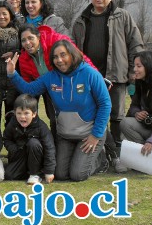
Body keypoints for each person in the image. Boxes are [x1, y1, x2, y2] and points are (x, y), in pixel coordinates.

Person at [6, 40, 111, 181]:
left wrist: (96, 134)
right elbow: (29, 90)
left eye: (63, 55)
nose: (59, 60)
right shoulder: (51, 77)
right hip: (65, 134)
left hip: (89, 134)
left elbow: (105, 104)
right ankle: (80, 157)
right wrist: (13, 74)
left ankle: (100, 160)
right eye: (55, 57)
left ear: (72, 54)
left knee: (77, 174)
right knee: (60, 174)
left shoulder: (90, 73)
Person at [72, 0, 145, 151]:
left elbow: (136, 44)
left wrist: (134, 69)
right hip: (89, 77)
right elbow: (73, 49)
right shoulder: (80, 21)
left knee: (116, 116)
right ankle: (100, 152)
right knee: (93, 114)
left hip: (116, 75)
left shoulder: (123, 16)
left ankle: (118, 152)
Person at [3, 94, 56, 185]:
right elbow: (6, 139)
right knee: (9, 175)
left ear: (34, 114)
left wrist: (49, 171)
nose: (22, 117)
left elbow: (49, 148)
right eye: (19, 113)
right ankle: (26, 172)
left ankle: (35, 174)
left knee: (33, 143)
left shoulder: (41, 126)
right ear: (15, 112)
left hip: (37, 155)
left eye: (26, 113)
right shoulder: (12, 123)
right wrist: (13, 148)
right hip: (20, 153)